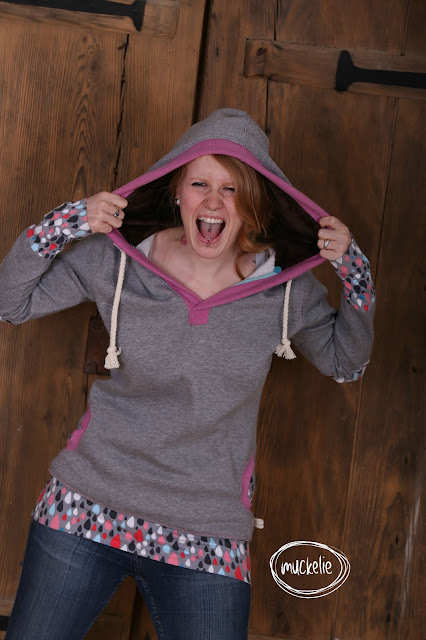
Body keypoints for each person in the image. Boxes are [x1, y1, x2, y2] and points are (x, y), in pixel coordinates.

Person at [0, 108, 375, 640]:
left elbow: (346, 362)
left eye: (232, 188)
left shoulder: (283, 289)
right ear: (176, 190)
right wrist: (65, 223)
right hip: (87, 504)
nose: (214, 202)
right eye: (200, 183)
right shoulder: (116, 260)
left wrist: (355, 273)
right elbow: (10, 302)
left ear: (254, 202)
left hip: (207, 531)